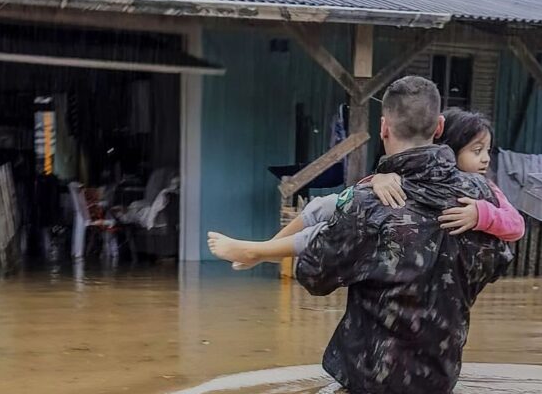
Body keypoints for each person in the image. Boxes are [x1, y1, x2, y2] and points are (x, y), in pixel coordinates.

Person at [217, 76, 513, 394]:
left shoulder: (370, 203)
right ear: (439, 127)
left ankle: (257, 250)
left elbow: (314, 276)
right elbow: (499, 261)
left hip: (371, 379)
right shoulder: (483, 195)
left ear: (384, 127)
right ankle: (257, 250)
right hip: (442, 376)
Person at [207, 108, 524, 268]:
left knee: (329, 232)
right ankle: (267, 250)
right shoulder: (412, 172)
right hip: (403, 241)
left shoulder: (483, 191)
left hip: (416, 251)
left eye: (486, 151)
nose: (484, 159)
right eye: (476, 150)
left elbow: (516, 226)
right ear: (447, 143)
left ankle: (258, 252)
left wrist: (481, 214)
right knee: (323, 206)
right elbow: (365, 195)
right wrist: (379, 178)